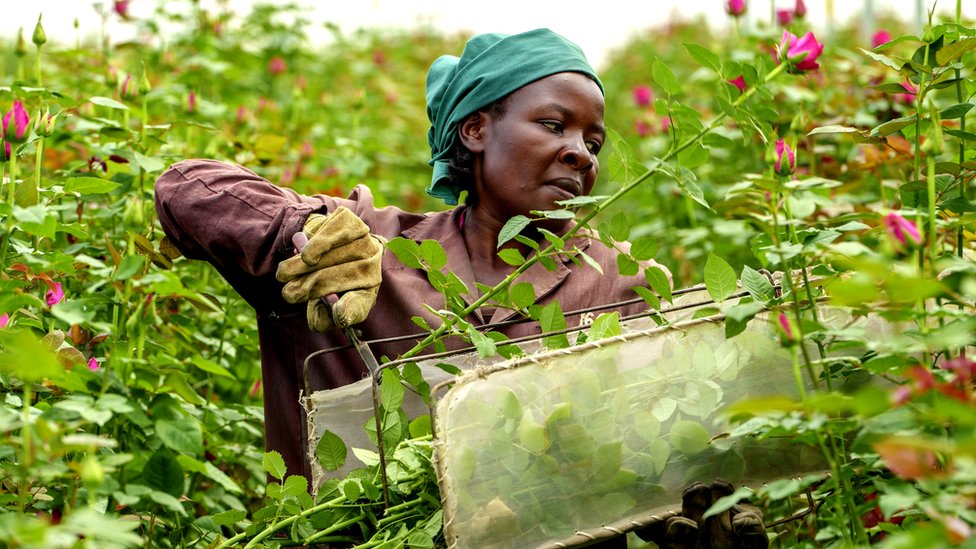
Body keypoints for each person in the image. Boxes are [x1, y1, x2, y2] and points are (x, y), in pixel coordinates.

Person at [156, 28, 770, 548]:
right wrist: (302, 232)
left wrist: (685, 514)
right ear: (475, 130)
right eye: (553, 124)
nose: (580, 153)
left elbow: (649, 465)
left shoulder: (617, 287)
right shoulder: (372, 248)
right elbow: (184, 187)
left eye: (594, 142)